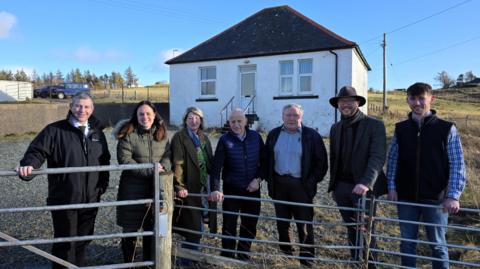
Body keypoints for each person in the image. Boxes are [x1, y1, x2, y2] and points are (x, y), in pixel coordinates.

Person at [16, 92, 110, 269]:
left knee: (84, 240)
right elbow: (37, 152)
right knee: (65, 243)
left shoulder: (98, 133)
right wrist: (28, 165)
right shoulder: (55, 130)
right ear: (71, 106)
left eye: (86, 106)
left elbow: (104, 160)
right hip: (64, 198)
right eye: (78, 106)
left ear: (92, 109)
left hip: (91, 198)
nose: (82, 110)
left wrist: (101, 187)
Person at [386, 82, 466, 269]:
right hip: (406, 197)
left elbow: (457, 163)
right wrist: (391, 186)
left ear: (431, 98)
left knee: (437, 245)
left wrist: (453, 195)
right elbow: (393, 161)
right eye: (413, 98)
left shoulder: (447, 128)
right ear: (407, 100)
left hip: (436, 199)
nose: (417, 103)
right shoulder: (401, 129)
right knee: (407, 242)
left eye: (422, 98)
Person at [327, 86, 386, 268]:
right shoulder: (335, 128)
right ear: (337, 104)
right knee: (351, 228)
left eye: (349, 101)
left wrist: (366, 183)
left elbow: (377, 157)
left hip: (363, 189)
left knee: (366, 230)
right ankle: (355, 262)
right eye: (341, 101)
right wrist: (334, 187)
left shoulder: (374, 125)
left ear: (357, 103)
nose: (345, 105)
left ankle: (371, 264)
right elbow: (335, 158)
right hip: (342, 188)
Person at [265, 103, 328, 267]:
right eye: (288, 115)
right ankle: (286, 254)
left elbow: (321, 164)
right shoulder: (273, 134)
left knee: (304, 223)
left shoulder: (312, 136)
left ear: (301, 117)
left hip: (302, 185)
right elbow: (266, 160)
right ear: (282, 116)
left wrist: (311, 181)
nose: (292, 118)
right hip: (279, 184)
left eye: (295, 115)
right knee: (282, 222)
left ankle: (307, 258)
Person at [114, 100, 171, 264]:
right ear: (136, 116)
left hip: (156, 190)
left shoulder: (162, 135)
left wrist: (163, 169)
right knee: (130, 229)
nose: (145, 117)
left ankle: (148, 262)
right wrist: (151, 170)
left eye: (148, 114)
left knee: (152, 229)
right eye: (141, 114)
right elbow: (125, 159)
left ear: (154, 116)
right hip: (132, 190)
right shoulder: (128, 135)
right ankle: (128, 263)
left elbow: (168, 156)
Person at [209, 108, 265, 260]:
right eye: (233, 121)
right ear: (229, 123)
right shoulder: (224, 140)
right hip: (232, 188)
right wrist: (215, 189)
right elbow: (216, 168)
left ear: (246, 122)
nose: (236, 124)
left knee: (250, 223)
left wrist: (258, 180)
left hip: (253, 189)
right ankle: (227, 256)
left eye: (239, 121)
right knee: (229, 224)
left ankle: (243, 255)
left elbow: (265, 162)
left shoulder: (256, 137)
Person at [171, 107, 217, 265]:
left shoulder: (204, 137)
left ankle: (192, 257)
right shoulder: (179, 137)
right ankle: (187, 261)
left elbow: (210, 161)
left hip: (204, 188)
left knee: (201, 224)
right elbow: (177, 164)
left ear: (201, 120)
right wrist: (178, 185)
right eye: (190, 118)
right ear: (185, 120)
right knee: (194, 228)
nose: (194, 121)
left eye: (197, 118)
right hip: (189, 188)